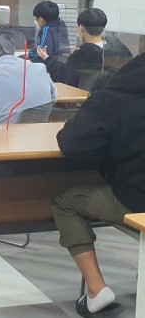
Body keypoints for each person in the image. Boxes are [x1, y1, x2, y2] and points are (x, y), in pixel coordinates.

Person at [52, 53, 145, 317]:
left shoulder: (113, 99)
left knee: (66, 202)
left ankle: (96, 290)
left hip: (137, 199)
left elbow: (70, 144)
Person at [37, 8, 107, 89]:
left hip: (83, 95)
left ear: (81, 28)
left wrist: (47, 59)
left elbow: (63, 75)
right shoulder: (114, 51)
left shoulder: (81, 56)